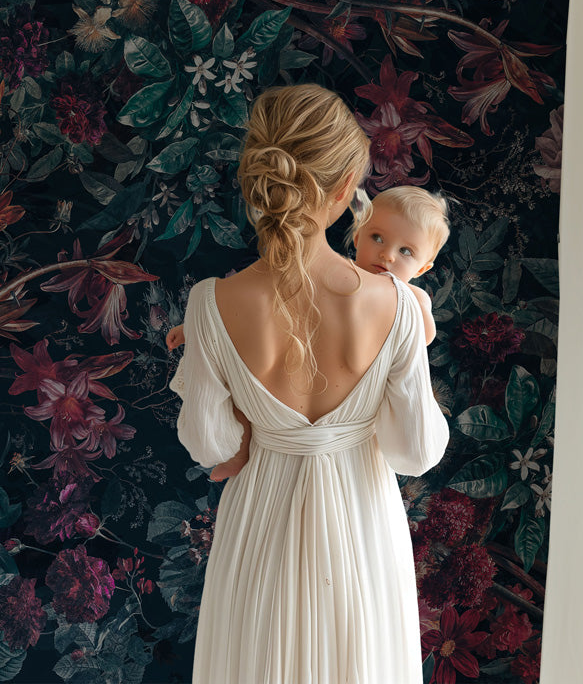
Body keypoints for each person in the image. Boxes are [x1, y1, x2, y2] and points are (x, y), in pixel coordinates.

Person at [169, 83, 449, 684]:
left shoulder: (210, 304)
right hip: (363, 531)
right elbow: (414, 453)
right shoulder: (398, 305)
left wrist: (245, 418)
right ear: (350, 187)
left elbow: (210, 445)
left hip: (259, 529)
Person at [167, 184, 450, 481]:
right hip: (295, 370)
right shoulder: (333, 277)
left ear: (424, 267)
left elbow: (423, 339)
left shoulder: (411, 299)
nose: (388, 255)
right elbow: (271, 308)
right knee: (238, 387)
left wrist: (407, 316)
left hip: (349, 425)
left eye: (406, 251)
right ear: (357, 236)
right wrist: (196, 326)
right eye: (377, 237)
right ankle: (239, 453)